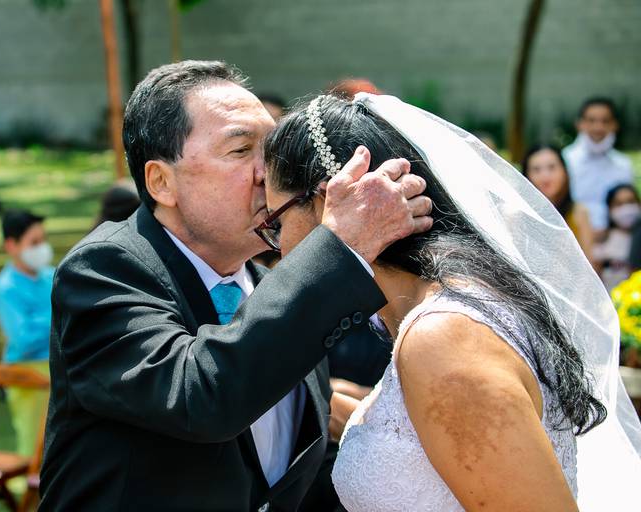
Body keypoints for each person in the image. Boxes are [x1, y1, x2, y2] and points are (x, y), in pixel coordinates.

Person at [39, 60, 432, 511]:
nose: (270, 171)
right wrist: (339, 245)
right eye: (242, 150)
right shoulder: (106, 268)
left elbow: (295, 473)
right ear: (161, 182)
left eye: (273, 148)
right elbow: (200, 397)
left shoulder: (280, 290)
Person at [263, 94, 641, 511]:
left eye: (276, 222)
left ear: (329, 203)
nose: (275, 248)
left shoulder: (442, 338)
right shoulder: (438, 311)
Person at [0, 209, 54, 456]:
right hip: (27, 373)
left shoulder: (51, 275)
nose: (41, 248)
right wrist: (57, 316)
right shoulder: (6, 286)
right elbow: (23, 339)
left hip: (57, 365)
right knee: (33, 445)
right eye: (33, 242)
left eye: (43, 240)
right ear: (11, 245)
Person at [563, 97, 634, 234]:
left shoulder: (624, 165)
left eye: (605, 121)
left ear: (615, 125)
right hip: (571, 239)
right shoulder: (565, 161)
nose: (598, 127)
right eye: (591, 121)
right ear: (580, 124)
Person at [523, 144, 594, 264]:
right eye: (536, 169)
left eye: (552, 167)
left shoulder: (579, 213)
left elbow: (590, 265)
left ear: (564, 171)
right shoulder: (517, 214)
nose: (545, 176)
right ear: (526, 176)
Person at [594, 184, 641, 290]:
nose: (626, 209)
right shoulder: (601, 240)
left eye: (630, 202)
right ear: (609, 209)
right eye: (619, 204)